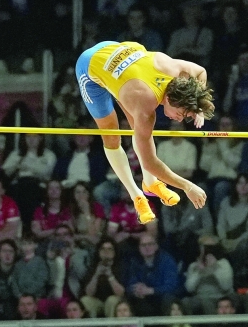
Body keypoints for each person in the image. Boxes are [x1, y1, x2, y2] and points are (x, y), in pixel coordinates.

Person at [74, 39, 215, 225]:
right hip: (91, 64)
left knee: (141, 131)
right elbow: (149, 163)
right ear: (172, 99)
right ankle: (136, 195)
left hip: (122, 57)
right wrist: (187, 186)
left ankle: (150, 184)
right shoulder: (144, 103)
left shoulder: (173, 69)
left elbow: (201, 72)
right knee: (112, 135)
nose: (180, 120)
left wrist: (199, 108)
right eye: (181, 113)